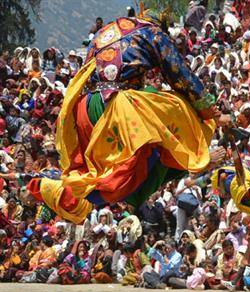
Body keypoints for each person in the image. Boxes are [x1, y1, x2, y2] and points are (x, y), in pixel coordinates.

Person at [27, 13, 229, 224]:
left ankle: (68, 193)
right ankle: (198, 159)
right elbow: (181, 76)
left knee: (102, 174)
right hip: (120, 106)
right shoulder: (154, 33)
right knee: (176, 108)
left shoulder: (104, 32)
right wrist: (210, 112)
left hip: (85, 111)